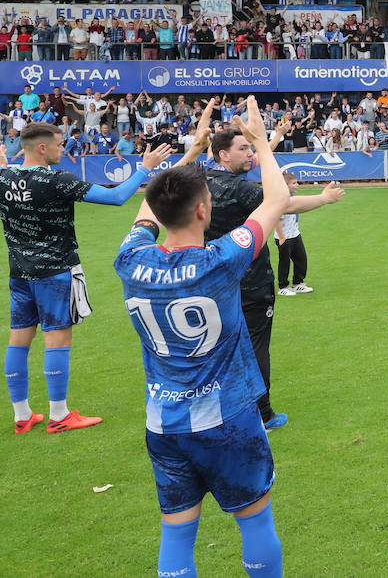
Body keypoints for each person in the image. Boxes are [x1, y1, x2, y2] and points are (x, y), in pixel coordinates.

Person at [113, 95, 286, 578]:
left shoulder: (131, 260)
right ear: (204, 212)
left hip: (163, 423)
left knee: (177, 530)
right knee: (254, 521)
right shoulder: (218, 260)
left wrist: (179, 164)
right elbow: (275, 201)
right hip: (226, 418)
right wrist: (261, 144)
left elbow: (146, 215)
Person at [3, 124, 174, 435]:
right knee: (56, 339)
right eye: (58, 143)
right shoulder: (57, 180)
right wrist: (145, 168)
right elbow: (118, 197)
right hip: (55, 272)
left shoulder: (3, 178)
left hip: (20, 273)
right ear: (42, 147)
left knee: (18, 341)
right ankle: (58, 415)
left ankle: (22, 415)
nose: (63, 148)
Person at [207, 114, 345, 432]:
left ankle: (219, 409)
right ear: (224, 155)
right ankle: (263, 413)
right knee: (256, 346)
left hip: (214, 280)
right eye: (243, 148)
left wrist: (271, 139)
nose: (250, 153)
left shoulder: (202, 180)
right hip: (251, 281)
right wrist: (324, 198)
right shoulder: (240, 190)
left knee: (222, 345)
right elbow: (283, 203)